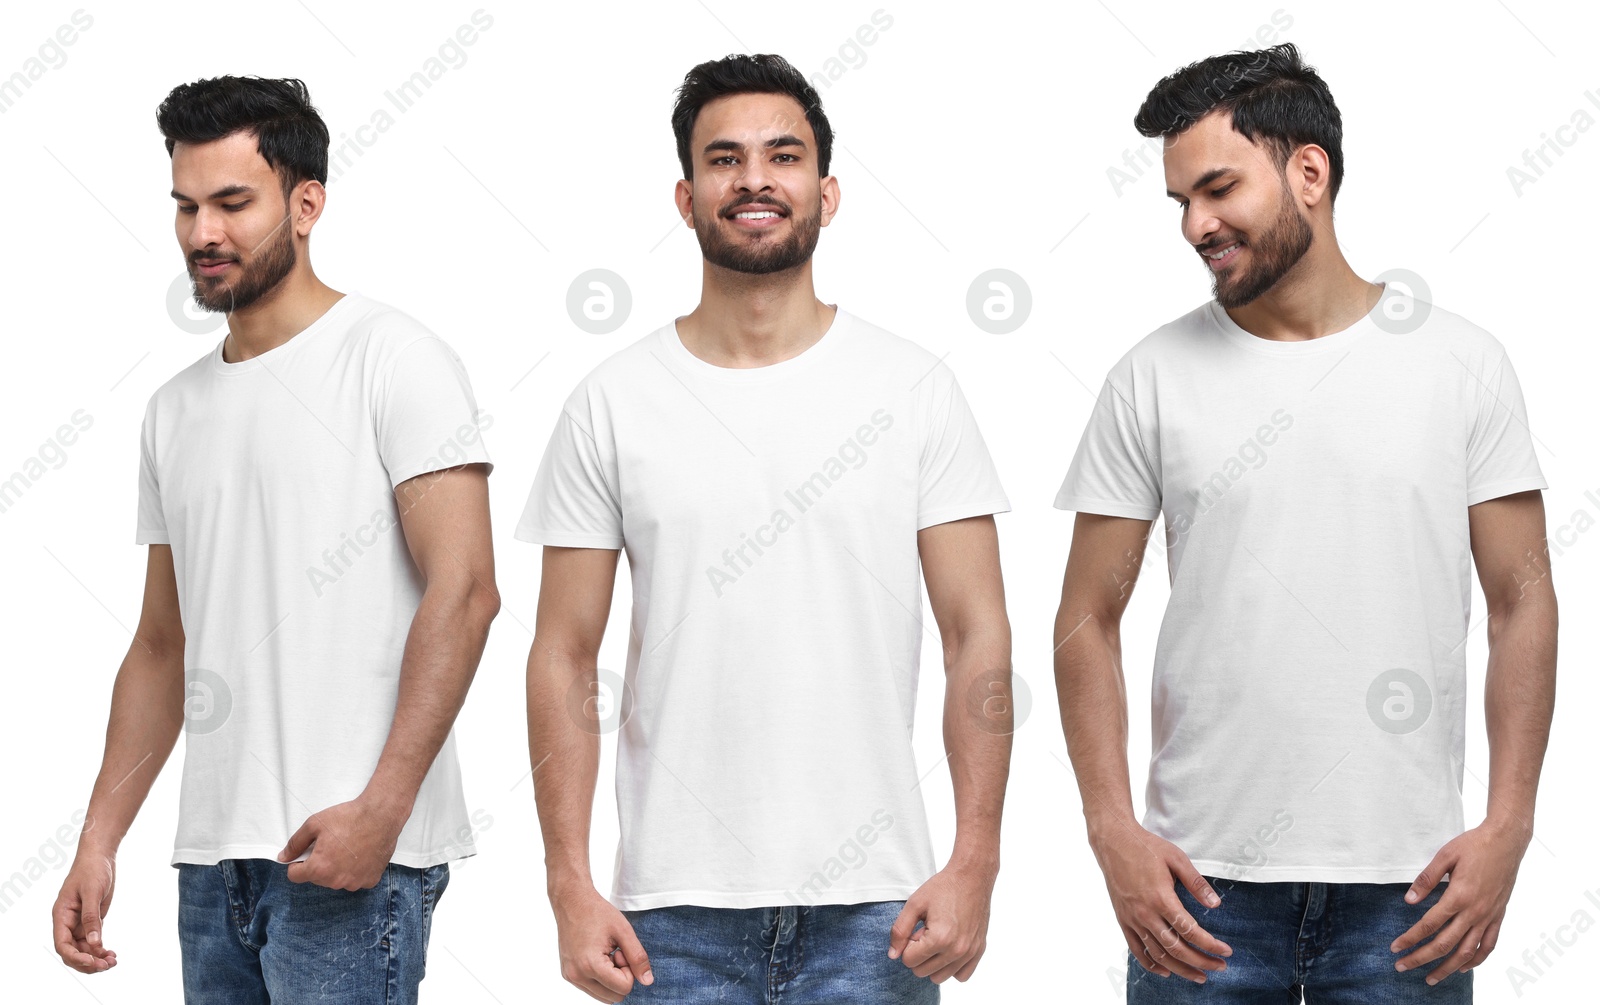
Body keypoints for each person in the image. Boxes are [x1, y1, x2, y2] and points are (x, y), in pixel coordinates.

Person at [1053, 43, 1556, 1002]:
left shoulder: (1462, 364)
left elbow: (1522, 603)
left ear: (1309, 172)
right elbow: (1085, 618)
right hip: (1197, 897)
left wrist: (1510, 826)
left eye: (1217, 189)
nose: (1197, 225)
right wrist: (1111, 827)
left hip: (1412, 896)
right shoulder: (1148, 378)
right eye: (1181, 204)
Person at [518, 53, 1014, 1004]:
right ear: (686, 193)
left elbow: (977, 635)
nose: (754, 179)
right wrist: (567, 882)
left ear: (827, 193)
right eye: (725, 158)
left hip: (880, 913)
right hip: (666, 918)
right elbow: (564, 654)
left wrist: (976, 859)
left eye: (783, 156)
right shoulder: (611, 402)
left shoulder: (915, 390)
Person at [50, 75, 500, 1004]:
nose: (202, 233)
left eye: (231, 203)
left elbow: (466, 591)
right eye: (185, 206)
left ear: (306, 205)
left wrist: (384, 810)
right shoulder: (172, 411)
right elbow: (162, 644)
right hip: (213, 865)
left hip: (350, 853)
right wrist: (99, 839)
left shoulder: (395, 358)